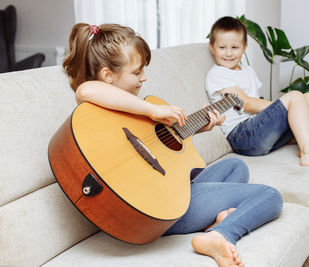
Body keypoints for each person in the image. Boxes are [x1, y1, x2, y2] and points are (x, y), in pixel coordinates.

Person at [63, 23, 283, 267]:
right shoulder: (96, 99)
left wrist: (198, 127)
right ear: (107, 75)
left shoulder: (130, 112)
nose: (144, 78)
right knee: (269, 195)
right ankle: (220, 235)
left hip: (171, 190)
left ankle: (214, 219)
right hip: (158, 210)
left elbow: (159, 150)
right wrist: (153, 109)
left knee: (235, 166)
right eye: (137, 72)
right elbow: (86, 89)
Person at [206, 16, 309, 167]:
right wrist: (286, 106)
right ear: (212, 47)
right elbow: (246, 103)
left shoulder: (247, 70)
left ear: (244, 47)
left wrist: (289, 108)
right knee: (295, 97)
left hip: (258, 131)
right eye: (222, 47)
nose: (228, 53)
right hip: (241, 137)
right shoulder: (218, 74)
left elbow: (259, 111)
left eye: (234, 47)